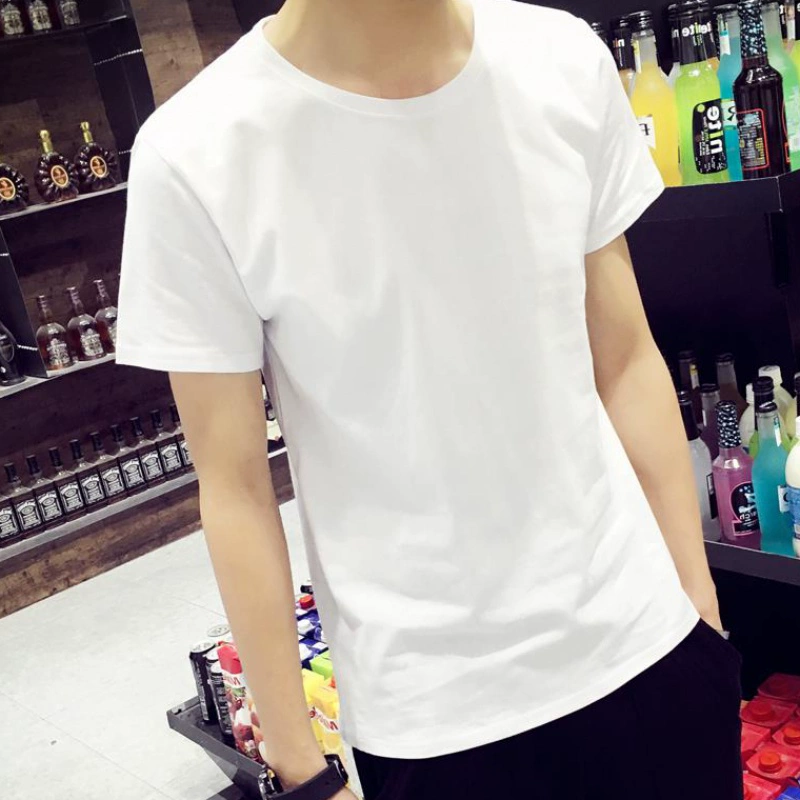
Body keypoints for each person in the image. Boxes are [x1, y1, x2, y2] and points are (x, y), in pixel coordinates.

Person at [116, 1, 743, 798]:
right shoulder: (197, 153)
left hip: (649, 648)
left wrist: (699, 605)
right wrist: (301, 768)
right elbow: (235, 487)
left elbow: (623, 358)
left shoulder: (559, 59)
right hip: (433, 717)